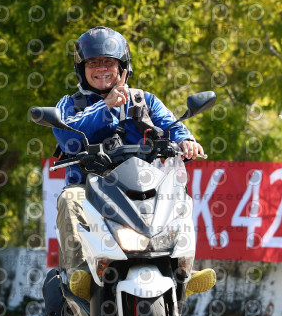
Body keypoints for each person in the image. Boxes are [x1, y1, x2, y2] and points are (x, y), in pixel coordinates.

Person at [52, 26, 209, 300]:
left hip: (141, 188)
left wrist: (186, 140)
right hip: (90, 190)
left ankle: (182, 268)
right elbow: (68, 136)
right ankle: (81, 274)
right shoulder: (71, 104)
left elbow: (171, 124)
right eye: (93, 63)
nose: (101, 69)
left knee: (178, 195)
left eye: (109, 62)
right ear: (81, 69)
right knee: (68, 200)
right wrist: (106, 106)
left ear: (123, 67)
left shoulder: (144, 100)